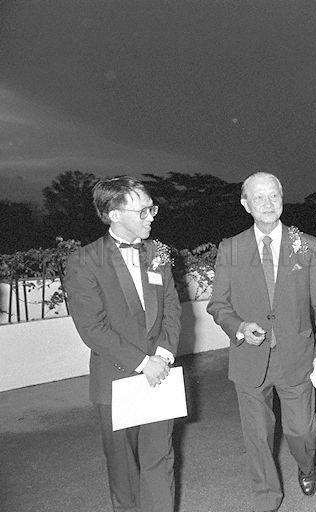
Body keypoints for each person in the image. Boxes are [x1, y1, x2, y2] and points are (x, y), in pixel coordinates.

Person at [207, 172, 316, 512]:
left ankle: (307, 465)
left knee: (301, 431)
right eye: (258, 197)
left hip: (297, 357)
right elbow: (218, 304)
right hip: (249, 358)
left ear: (282, 199)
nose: (267, 203)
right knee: (258, 436)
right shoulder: (231, 247)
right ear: (245, 203)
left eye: (273, 196)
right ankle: (267, 498)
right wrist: (238, 326)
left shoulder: (306, 244)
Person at [64, 176, 181, 512]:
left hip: (161, 372)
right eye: (142, 210)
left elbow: (172, 304)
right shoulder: (85, 260)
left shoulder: (159, 252)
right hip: (116, 380)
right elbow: (92, 328)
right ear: (114, 214)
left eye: (151, 207)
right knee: (124, 471)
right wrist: (143, 362)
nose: (151, 215)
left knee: (161, 461)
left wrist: (163, 353)